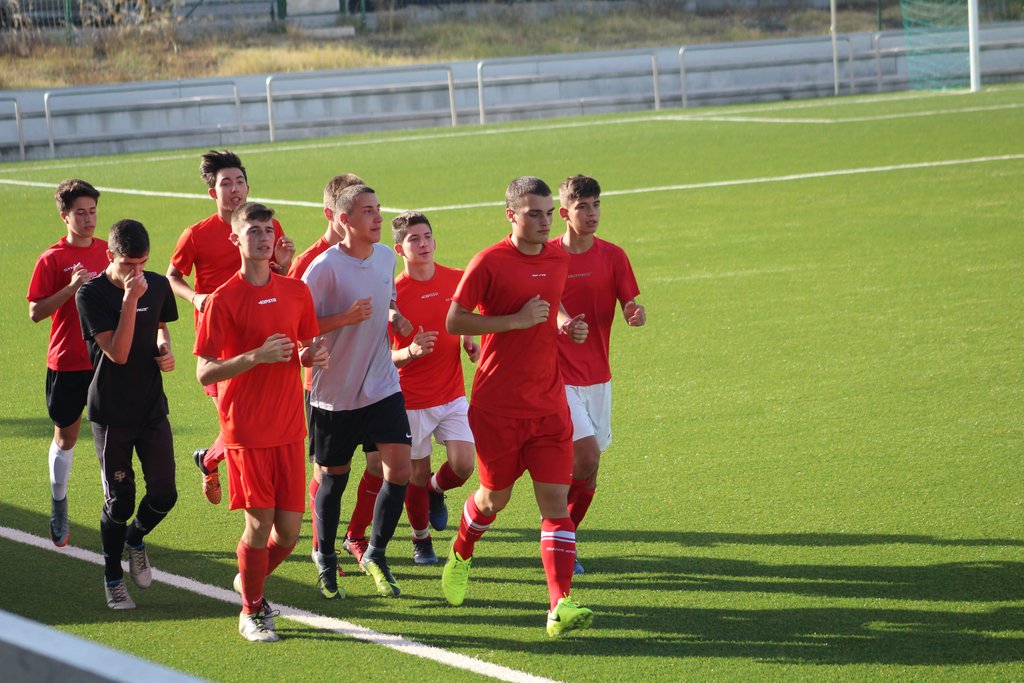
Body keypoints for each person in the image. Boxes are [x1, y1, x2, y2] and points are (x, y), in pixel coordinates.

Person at [442, 176, 594, 638]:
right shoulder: (489, 261)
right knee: (494, 499)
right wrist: (516, 321)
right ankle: (462, 551)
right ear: (511, 215)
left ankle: (559, 605)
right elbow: (454, 321)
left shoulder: (558, 258)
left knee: (555, 503)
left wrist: (564, 324)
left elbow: (552, 302)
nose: (545, 222)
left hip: (549, 405)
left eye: (548, 213)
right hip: (498, 408)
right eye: (534, 214)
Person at [194, 202, 325, 643]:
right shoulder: (222, 299)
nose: (264, 238)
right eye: (254, 231)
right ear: (236, 239)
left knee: (288, 533)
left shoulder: (295, 291)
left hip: (289, 426)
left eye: (268, 230)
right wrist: (255, 356)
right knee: (259, 525)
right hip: (246, 431)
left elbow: (303, 348)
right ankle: (251, 610)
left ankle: (248, 579)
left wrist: (312, 355)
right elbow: (205, 372)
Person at [302, 184, 413, 599]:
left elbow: (387, 301)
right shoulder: (322, 269)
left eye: (378, 208)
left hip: (382, 385)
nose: (378, 217)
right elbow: (300, 326)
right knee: (334, 480)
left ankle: (376, 553)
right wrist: (343, 318)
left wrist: (395, 317)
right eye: (368, 211)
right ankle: (325, 557)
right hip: (336, 394)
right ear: (344, 219)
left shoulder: (385, 257)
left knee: (399, 470)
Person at [167, 150, 294, 505]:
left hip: (263, 335)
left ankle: (209, 461)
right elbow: (172, 276)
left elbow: (277, 276)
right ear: (213, 192)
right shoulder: (196, 235)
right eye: (226, 183)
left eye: (240, 182)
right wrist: (196, 298)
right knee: (235, 421)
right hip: (220, 343)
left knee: (261, 418)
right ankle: (251, 499)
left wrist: (285, 267)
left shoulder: (267, 226)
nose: (235, 189)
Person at [75, 219, 178, 610]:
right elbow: (117, 354)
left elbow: (160, 326)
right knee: (120, 503)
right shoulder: (91, 294)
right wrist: (131, 299)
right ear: (109, 255)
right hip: (111, 414)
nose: (137, 272)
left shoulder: (158, 284)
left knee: (165, 494)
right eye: (128, 264)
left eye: (143, 263)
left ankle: (135, 538)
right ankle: (113, 577)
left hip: (151, 408)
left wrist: (164, 348)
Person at [551, 175, 645, 575]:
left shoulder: (614, 255)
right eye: (583, 207)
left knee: (589, 472)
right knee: (585, 454)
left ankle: (562, 535)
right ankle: (558, 536)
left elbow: (629, 303)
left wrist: (635, 313)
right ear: (564, 212)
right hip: (557, 375)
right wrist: (564, 322)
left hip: (598, 376)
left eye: (596, 205)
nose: (592, 214)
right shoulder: (548, 256)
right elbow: (545, 301)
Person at [286, 172, 381, 565]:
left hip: (372, 380)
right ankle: (319, 547)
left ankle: (355, 535)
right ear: (336, 214)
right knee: (327, 473)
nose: (369, 216)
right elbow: (292, 324)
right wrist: (338, 324)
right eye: (360, 210)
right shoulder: (309, 263)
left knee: (380, 464)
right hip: (326, 384)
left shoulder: (374, 253)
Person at [389, 211, 479, 565]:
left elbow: (470, 315)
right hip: (411, 401)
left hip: (452, 394)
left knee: (464, 465)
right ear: (399, 248)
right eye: (414, 239)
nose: (423, 244)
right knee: (415, 473)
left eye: (427, 236)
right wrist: (411, 352)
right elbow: (381, 359)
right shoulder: (392, 295)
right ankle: (420, 539)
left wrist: (469, 339)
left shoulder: (456, 279)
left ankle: (435, 490)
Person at [27, 179, 109, 548]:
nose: (89, 219)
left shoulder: (109, 251)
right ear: (65, 216)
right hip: (67, 362)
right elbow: (35, 312)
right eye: (80, 213)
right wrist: (71, 288)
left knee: (112, 437)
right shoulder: (52, 258)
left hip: (105, 359)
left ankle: (113, 509)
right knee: (66, 437)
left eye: (92, 212)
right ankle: (59, 502)